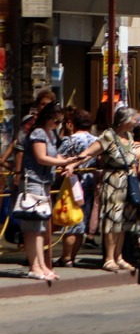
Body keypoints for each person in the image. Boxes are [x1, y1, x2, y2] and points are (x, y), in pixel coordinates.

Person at [72, 104, 140, 272]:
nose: (135, 122)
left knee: (124, 222)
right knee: (112, 220)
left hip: (128, 182)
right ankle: (109, 258)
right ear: (124, 120)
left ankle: (119, 256)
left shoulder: (130, 137)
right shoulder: (109, 136)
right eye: (133, 119)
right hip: (113, 181)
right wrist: (72, 164)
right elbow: (89, 152)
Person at [19, 103, 75, 281]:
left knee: (42, 226)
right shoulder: (38, 133)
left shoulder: (50, 134)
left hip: (44, 182)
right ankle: (34, 266)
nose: (58, 124)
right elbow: (41, 157)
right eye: (56, 120)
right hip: (33, 181)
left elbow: (54, 156)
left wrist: (68, 162)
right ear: (48, 117)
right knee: (33, 227)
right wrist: (62, 163)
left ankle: (42, 264)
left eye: (61, 121)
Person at [54, 108, 96, 268]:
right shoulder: (96, 139)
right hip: (89, 182)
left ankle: (66, 257)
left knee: (71, 220)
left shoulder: (70, 140)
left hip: (72, 183)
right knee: (81, 221)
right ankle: (72, 256)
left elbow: (58, 160)